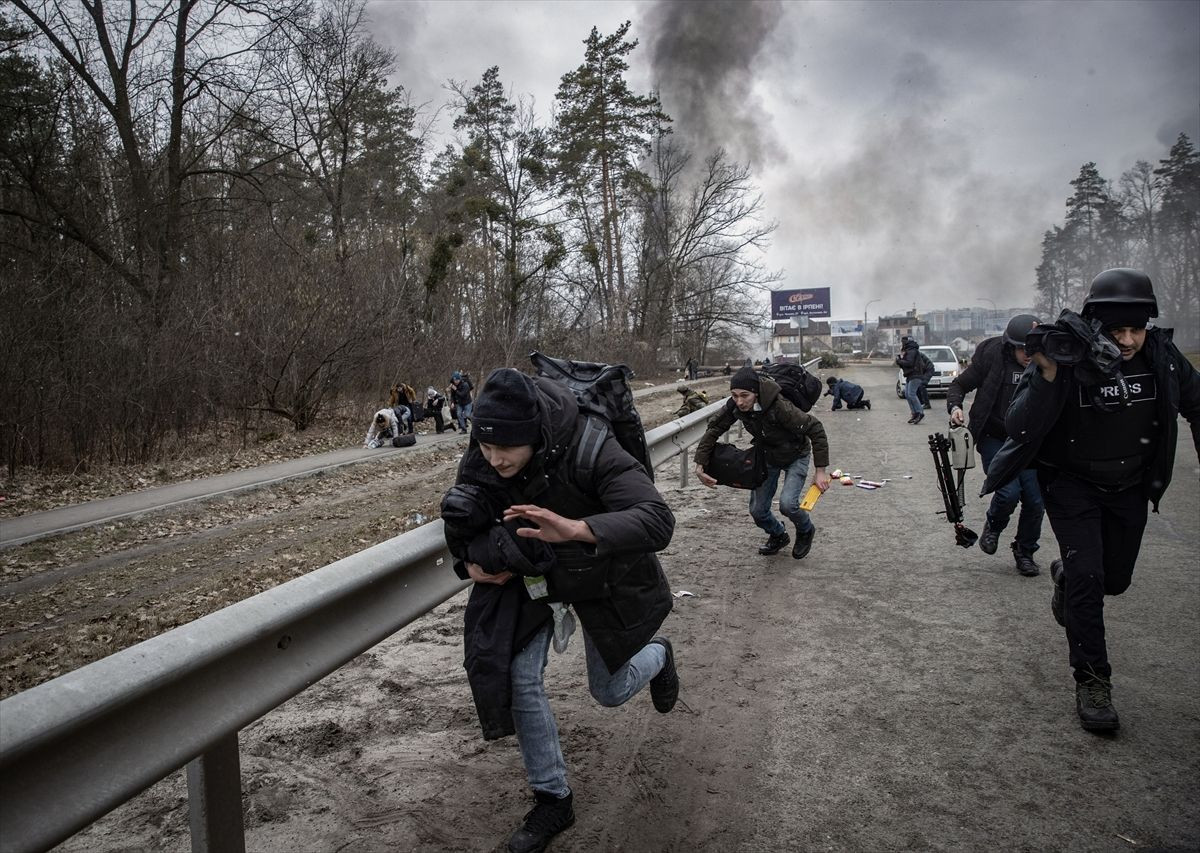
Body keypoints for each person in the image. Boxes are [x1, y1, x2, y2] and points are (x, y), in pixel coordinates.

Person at [442, 367, 679, 852]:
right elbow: (469, 518)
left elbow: (657, 520)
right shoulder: (486, 450)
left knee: (609, 691)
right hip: (532, 571)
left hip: (599, 570)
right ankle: (553, 798)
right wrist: (467, 566)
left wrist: (577, 529)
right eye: (484, 448)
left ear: (535, 435)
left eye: (504, 449)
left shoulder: (591, 445)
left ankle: (658, 656)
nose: (493, 459)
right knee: (517, 676)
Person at [983, 269, 1200, 733]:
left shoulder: (1161, 355)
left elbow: (1198, 405)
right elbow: (1019, 426)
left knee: (1114, 581)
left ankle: (1064, 576)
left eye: (1135, 330)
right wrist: (1045, 375)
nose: (1126, 340)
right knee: (1089, 579)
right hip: (1073, 486)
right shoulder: (1067, 356)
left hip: (1130, 487)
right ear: (1095, 324)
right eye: (1116, 330)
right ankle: (1093, 681)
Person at [692, 366, 831, 559]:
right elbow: (714, 428)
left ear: (756, 393)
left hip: (796, 454)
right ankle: (778, 534)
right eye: (734, 395)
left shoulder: (779, 406)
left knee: (787, 504)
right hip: (767, 456)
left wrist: (820, 471)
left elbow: (815, 428)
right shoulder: (735, 406)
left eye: (745, 395)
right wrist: (700, 463)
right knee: (758, 511)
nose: (739, 401)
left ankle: (806, 529)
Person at [947, 314, 1044, 577]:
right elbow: (959, 384)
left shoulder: (1047, 365)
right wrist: (955, 407)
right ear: (1011, 345)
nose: (1027, 355)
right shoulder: (992, 357)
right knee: (1008, 493)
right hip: (994, 438)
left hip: (1030, 442)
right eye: (1022, 349)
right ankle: (994, 526)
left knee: (1035, 501)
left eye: (1032, 349)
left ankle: (1025, 551)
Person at [895, 337, 927, 424]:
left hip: (915, 375)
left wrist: (900, 361)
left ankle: (919, 412)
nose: (901, 344)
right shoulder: (909, 350)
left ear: (905, 343)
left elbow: (909, 363)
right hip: (911, 375)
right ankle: (914, 413)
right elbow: (906, 364)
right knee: (907, 394)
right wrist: (900, 361)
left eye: (902, 342)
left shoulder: (911, 351)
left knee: (911, 394)